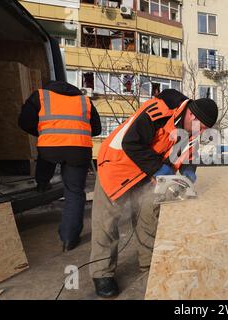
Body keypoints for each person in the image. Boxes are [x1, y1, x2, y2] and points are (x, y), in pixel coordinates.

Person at [89, 89, 218, 298]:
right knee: (106, 223)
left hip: (145, 174)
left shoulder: (191, 132)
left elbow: (187, 156)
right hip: (116, 167)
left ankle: (149, 265)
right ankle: (102, 273)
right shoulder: (158, 111)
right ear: (192, 116)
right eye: (202, 128)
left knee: (148, 217)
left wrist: (186, 175)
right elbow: (130, 142)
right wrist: (160, 170)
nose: (201, 133)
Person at [18, 81, 102, 252]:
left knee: (46, 155)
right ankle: (69, 239)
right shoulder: (84, 100)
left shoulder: (40, 96)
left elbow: (24, 121)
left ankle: (42, 183)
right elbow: (98, 129)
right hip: (78, 149)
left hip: (50, 147)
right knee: (74, 192)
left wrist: (44, 131)